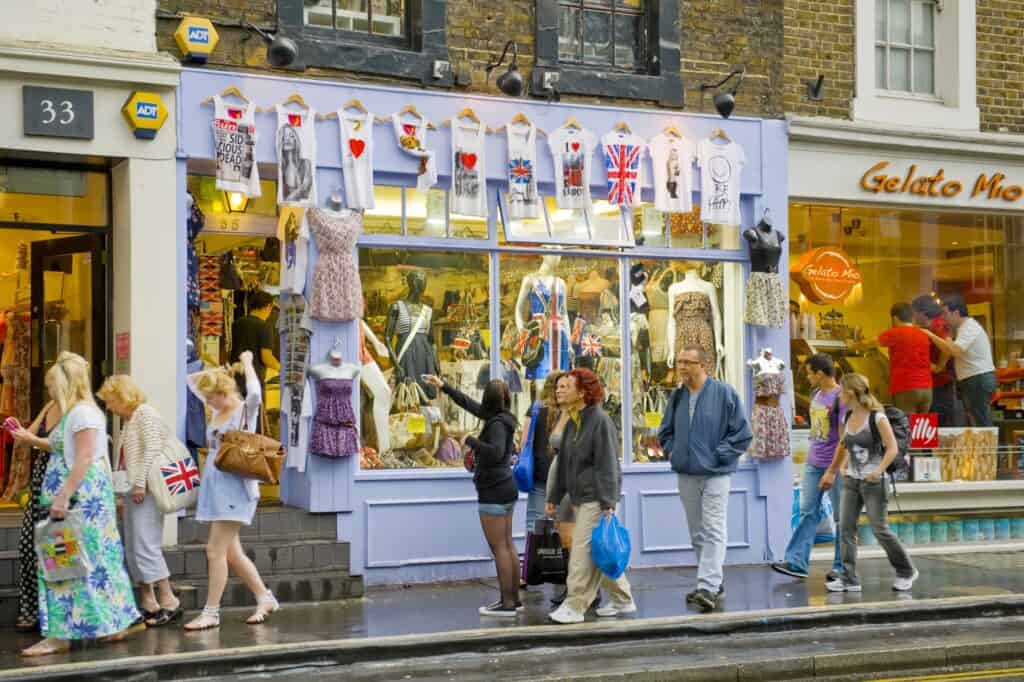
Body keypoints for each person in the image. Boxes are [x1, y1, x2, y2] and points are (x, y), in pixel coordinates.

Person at [10, 352, 141, 656]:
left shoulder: (81, 414)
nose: (50, 390)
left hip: (77, 504)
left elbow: (83, 457)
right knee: (89, 564)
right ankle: (111, 623)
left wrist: (63, 495)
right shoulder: (80, 412)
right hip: (84, 503)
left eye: (53, 384)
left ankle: (60, 634)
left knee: (63, 565)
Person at [184, 352, 279, 630]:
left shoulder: (243, 413)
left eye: (212, 396)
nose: (208, 402)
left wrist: (247, 364)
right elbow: (191, 381)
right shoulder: (217, 409)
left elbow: (255, 393)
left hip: (235, 489)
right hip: (217, 488)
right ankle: (264, 597)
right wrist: (221, 370)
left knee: (214, 550)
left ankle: (211, 612)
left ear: (224, 393)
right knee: (231, 554)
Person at [658, 345, 752, 614]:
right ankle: (714, 581)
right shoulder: (677, 396)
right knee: (697, 532)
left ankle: (707, 586)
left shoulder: (724, 394)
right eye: (680, 362)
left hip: (716, 474)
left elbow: (742, 434)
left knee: (713, 528)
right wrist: (674, 452)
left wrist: (718, 455)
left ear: (703, 366)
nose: (682, 366)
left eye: (688, 362)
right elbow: (665, 431)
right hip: (686, 472)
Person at [423, 374, 521, 618]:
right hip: (506, 487)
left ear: (487, 399)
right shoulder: (504, 419)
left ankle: (506, 603)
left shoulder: (496, 424)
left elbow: (496, 453)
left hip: (494, 489)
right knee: (508, 545)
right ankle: (514, 600)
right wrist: (445, 387)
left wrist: (471, 441)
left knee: (499, 547)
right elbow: (469, 404)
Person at [546, 368, 634, 624]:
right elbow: (564, 463)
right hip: (579, 497)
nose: (561, 388)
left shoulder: (599, 420)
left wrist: (608, 502)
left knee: (582, 554)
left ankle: (574, 606)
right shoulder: (575, 420)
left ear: (583, 392)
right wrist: (555, 494)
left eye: (568, 385)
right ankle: (623, 600)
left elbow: (607, 463)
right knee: (599, 552)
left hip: (595, 497)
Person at [97, 375, 182, 627]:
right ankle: (148, 600)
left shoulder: (145, 414)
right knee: (134, 545)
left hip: (144, 491)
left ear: (123, 396)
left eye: (111, 401)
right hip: (133, 491)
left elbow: (152, 450)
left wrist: (140, 483)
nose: (109, 407)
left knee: (146, 544)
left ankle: (169, 599)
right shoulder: (130, 418)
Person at [821, 373, 917, 593]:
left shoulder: (877, 418)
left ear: (851, 393)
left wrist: (877, 471)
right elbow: (844, 446)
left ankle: (906, 571)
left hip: (874, 482)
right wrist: (836, 470)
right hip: (851, 481)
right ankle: (848, 578)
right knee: (845, 528)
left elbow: (892, 448)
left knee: (879, 529)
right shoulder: (847, 418)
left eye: (842, 391)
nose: (839, 396)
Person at [771, 353, 844, 582]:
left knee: (842, 517)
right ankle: (797, 562)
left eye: (810, 373)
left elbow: (845, 438)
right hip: (814, 462)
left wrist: (835, 469)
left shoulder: (841, 398)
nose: (809, 377)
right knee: (807, 511)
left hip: (835, 464)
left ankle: (842, 567)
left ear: (820, 373)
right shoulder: (816, 394)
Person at [12, 400, 62, 632]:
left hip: (59, 482)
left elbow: (63, 446)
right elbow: (28, 435)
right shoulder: (50, 404)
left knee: (54, 552)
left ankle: (53, 613)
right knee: (27, 547)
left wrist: (31, 440)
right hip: (40, 479)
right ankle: (30, 609)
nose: (50, 387)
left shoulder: (76, 409)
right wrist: (18, 431)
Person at [921, 294, 996, 427]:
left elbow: (953, 351)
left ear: (956, 313)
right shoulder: (962, 329)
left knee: (981, 419)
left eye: (945, 313)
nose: (943, 318)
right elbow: (952, 349)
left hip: (978, 378)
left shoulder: (969, 327)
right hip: (972, 379)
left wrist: (931, 335)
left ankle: (988, 448)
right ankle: (980, 447)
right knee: (974, 418)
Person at [519, 372, 563, 586]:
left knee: (533, 522)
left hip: (539, 473)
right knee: (562, 524)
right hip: (562, 476)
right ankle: (559, 570)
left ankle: (529, 572)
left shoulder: (536, 409)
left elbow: (523, 440)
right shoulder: (567, 411)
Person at [911, 295, 956, 426]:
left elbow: (947, 348)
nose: (914, 317)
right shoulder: (929, 327)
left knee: (938, 424)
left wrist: (939, 366)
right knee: (929, 424)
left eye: (914, 313)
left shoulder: (938, 325)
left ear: (922, 313)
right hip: (931, 384)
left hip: (940, 385)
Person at [230, 290, 280, 397]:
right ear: (268, 306)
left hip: (235, 376)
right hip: (253, 380)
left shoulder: (237, 323)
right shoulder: (265, 327)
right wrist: (281, 368)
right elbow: (266, 357)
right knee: (253, 412)